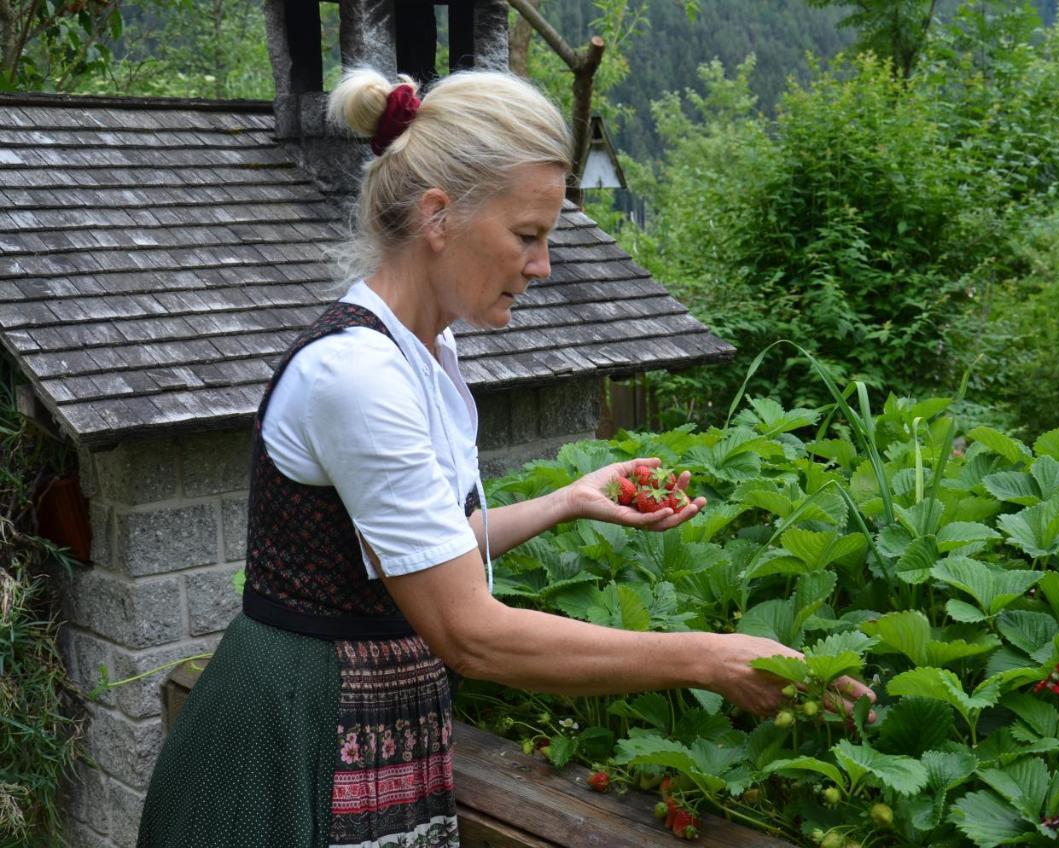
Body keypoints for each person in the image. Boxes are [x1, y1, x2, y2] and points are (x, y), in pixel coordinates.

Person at [136, 67, 874, 848]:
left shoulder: (426, 347)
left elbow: (416, 554)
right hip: (292, 745)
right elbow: (471, 634)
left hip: (361, 727)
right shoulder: (358, 375)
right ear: (439, 217)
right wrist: (710, 658)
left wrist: (568, 501)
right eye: (528, 235)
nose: (543, 266)